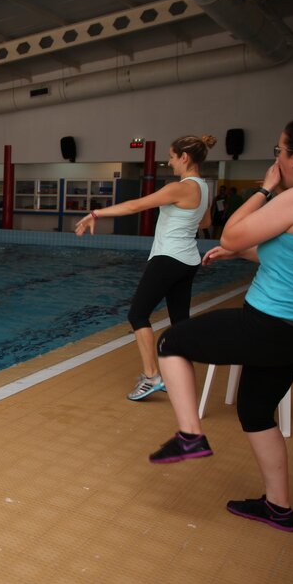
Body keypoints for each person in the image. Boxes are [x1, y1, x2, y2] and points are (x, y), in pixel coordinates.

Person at [150, 115, 293, 533]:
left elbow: (231, 233)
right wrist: (243, 256)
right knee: (254, 412)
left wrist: (264, 189)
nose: (277, 160)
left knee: (171, 342)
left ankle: (190, 436)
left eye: (278, 152)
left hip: (271, 327)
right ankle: (278, 507)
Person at [74, 134, 215, 401]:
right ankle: (181, 380)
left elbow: (134, 206)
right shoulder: (204, 187)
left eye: (172, 157)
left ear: (184, 157)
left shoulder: (181, 187)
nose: (170, 162)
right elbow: (205, 221)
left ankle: (152, 377)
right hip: (188, 259)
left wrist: (95, 213)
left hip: (168, 257)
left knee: (138, 314)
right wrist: (182, 222)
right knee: (180, 321)